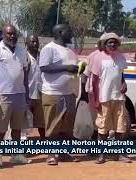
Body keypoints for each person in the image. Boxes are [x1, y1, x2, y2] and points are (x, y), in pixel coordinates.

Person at [0, 24, 31, 167]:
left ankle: (16, 155)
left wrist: (26, 93)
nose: (12, 36)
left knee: (17, 128)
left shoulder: (21, 50)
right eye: (9, 34)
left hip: (19, 94)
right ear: (3, 35)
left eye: (14, 34)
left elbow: (24, 73)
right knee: (0, 128)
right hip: (3, 95)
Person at [39, 24, 80, 165]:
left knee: (67, 127)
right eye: (69, 31)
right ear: (60, 32)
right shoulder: (49, 48)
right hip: (53, 92)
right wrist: (66, 67)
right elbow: (44, 67)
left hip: (70, 93)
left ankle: (63, 153)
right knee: (53, 126)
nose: (71, 33)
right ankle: (51, 154)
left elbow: (72, 67)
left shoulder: (70, 50)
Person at [91, 32, 132, 164]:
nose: (112, 44)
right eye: (110, 42)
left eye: (114, 42)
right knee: (102, 128)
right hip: (104, 98)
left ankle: (120, 154)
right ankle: (101, 155)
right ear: (105, 44)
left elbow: (121, 73)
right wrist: (96, 100)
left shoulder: (121, 58)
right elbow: (94, 81)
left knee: (120, 127)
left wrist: (124, 82)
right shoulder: (99, 58)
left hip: (119, 98)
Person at [25, 35, 45, 139]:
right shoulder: (23, 56)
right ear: (26, 43)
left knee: (42, 121)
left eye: (36, 42)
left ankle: (44, 141)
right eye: (32, 42)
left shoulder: (43, 56)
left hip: (41, 93)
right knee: (26, 120)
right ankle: (25, 144)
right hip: (27, 94)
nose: (35, 44)